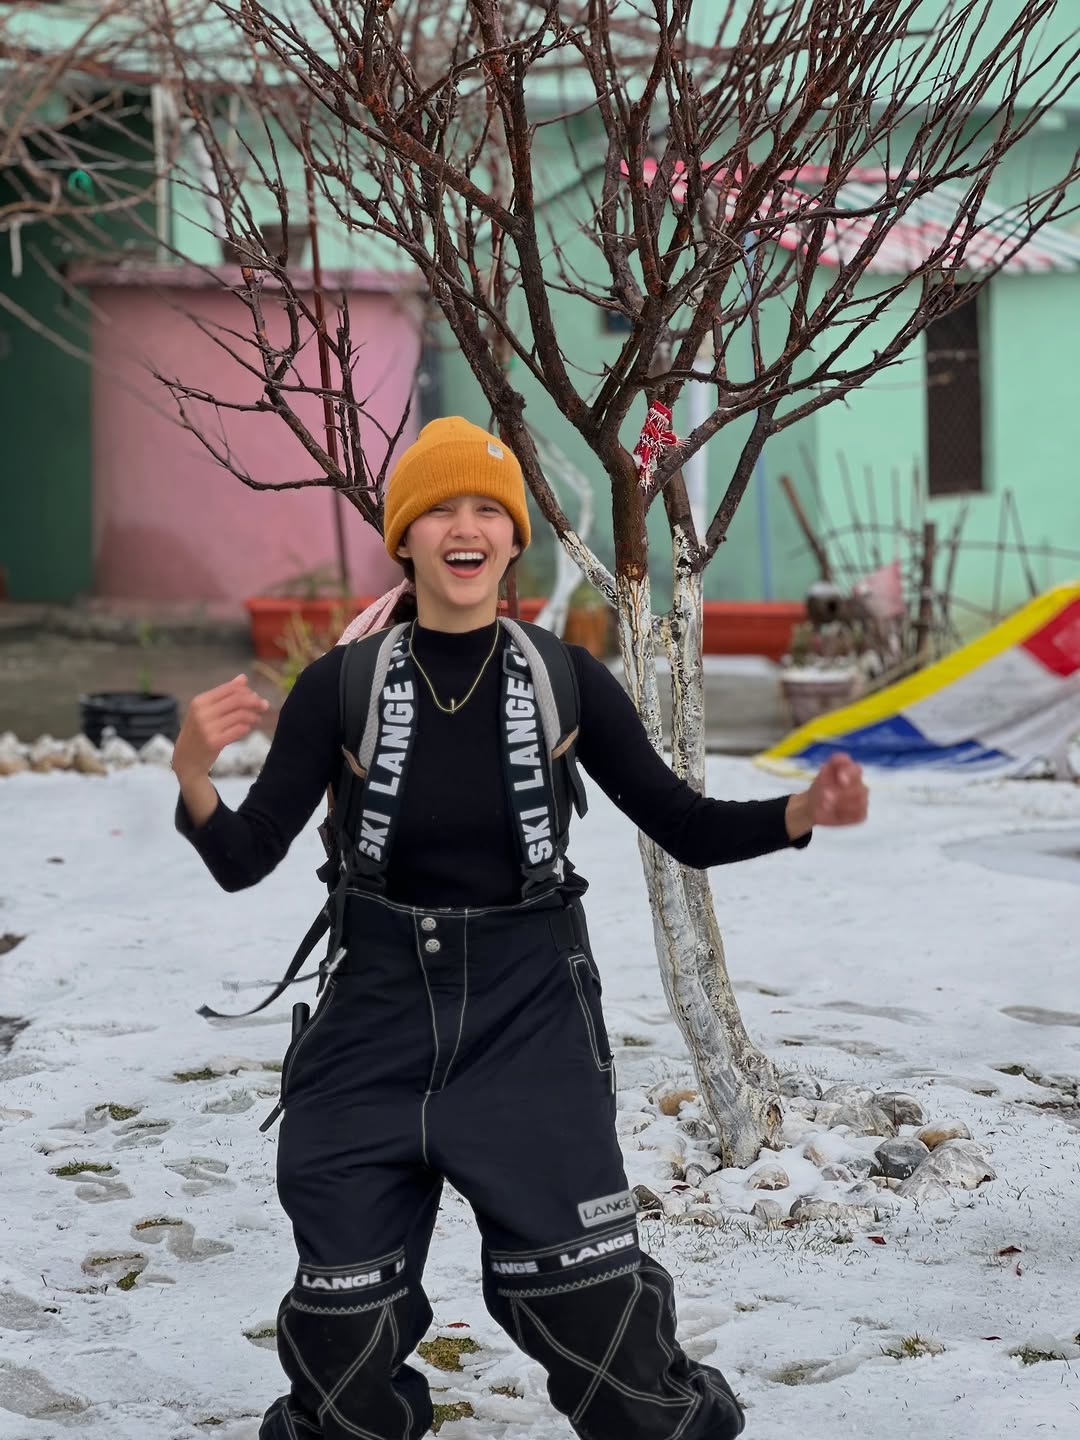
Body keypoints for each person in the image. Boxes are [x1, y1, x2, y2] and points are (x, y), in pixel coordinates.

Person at [174, 416, 868, 1440]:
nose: (466, 528)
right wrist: (193, 773)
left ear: (512, 539)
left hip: (529, 1019)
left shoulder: (563, 678)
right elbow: (244, 858)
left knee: (598, 1328)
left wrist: (799, 812)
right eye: (440, 511)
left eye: (487, 511)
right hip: (371, 1025)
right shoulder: (341, 686)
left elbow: (681, 824)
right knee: (342, 1343)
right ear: (405, 538)